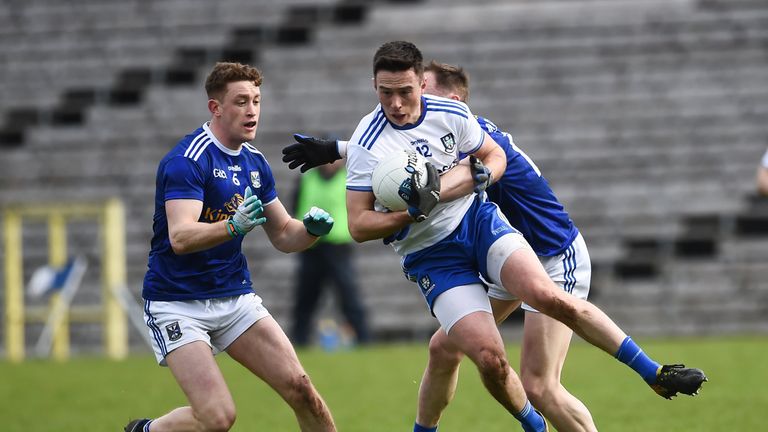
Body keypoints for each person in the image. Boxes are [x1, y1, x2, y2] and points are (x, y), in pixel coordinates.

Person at [282, 41, 707, 432]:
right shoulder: (374, 138)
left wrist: (467, 181)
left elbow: (485, 156)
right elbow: (368, 201)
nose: (398, 103)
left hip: (548, 249)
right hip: (436, 255)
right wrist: (358, 164)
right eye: (385, 92)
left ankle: (654, 372)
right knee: (461, 353)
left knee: (542, 367)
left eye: (411, 91)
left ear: (445, 96)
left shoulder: (456, 121)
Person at [125, 62, 337, 432]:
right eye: (241, 101)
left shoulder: (255, 163)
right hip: (177, 303)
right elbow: (180, 237)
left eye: (256, 100)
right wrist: (232, 225)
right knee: (217, 418)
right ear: (216, 107)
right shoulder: (188, 160)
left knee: (303, 390)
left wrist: (313, 230)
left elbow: (285, 234)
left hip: (234, 298)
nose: (252, 109)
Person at [290, 158, 371, 347]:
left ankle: (364, 339)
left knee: (349, 296)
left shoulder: (348, 179)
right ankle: (300, 341)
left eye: (335, 160)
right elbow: (295, 207)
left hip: (338, 247)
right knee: (305, 297)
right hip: (311, 247)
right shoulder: (307, 179)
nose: (330, 164)